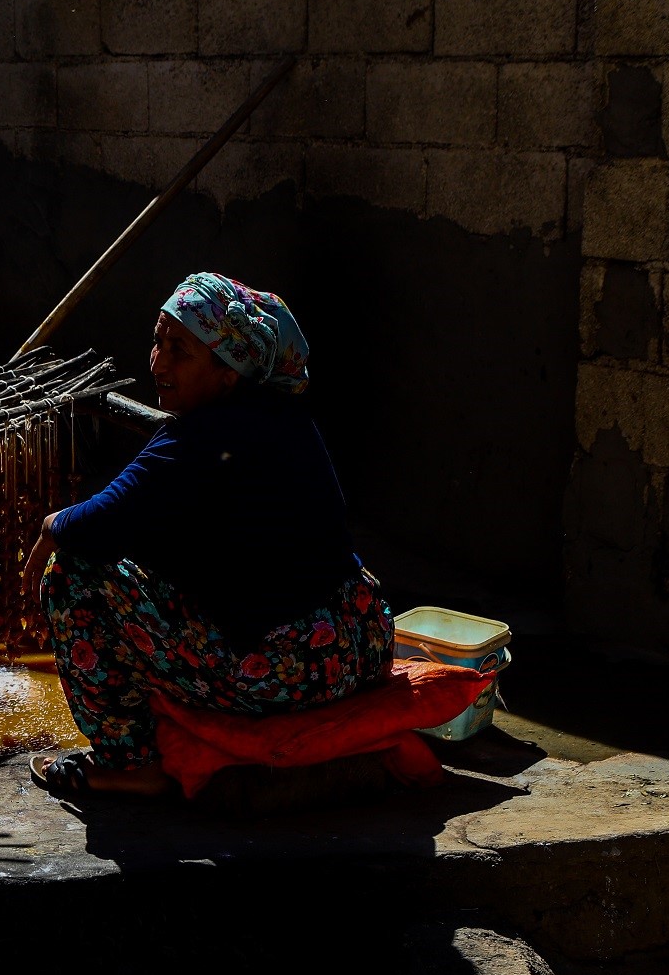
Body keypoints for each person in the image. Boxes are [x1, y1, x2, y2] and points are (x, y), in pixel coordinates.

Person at [20, 272, 394, 799]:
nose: (159, 362)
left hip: (290, 671)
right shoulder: (288, 418)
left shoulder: (197, 437)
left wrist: (49, 527)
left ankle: (129, 763)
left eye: (181, 350)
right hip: (363, 643)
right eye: (158, 340)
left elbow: (95, 524)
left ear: (227, 374)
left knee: (71, 573)